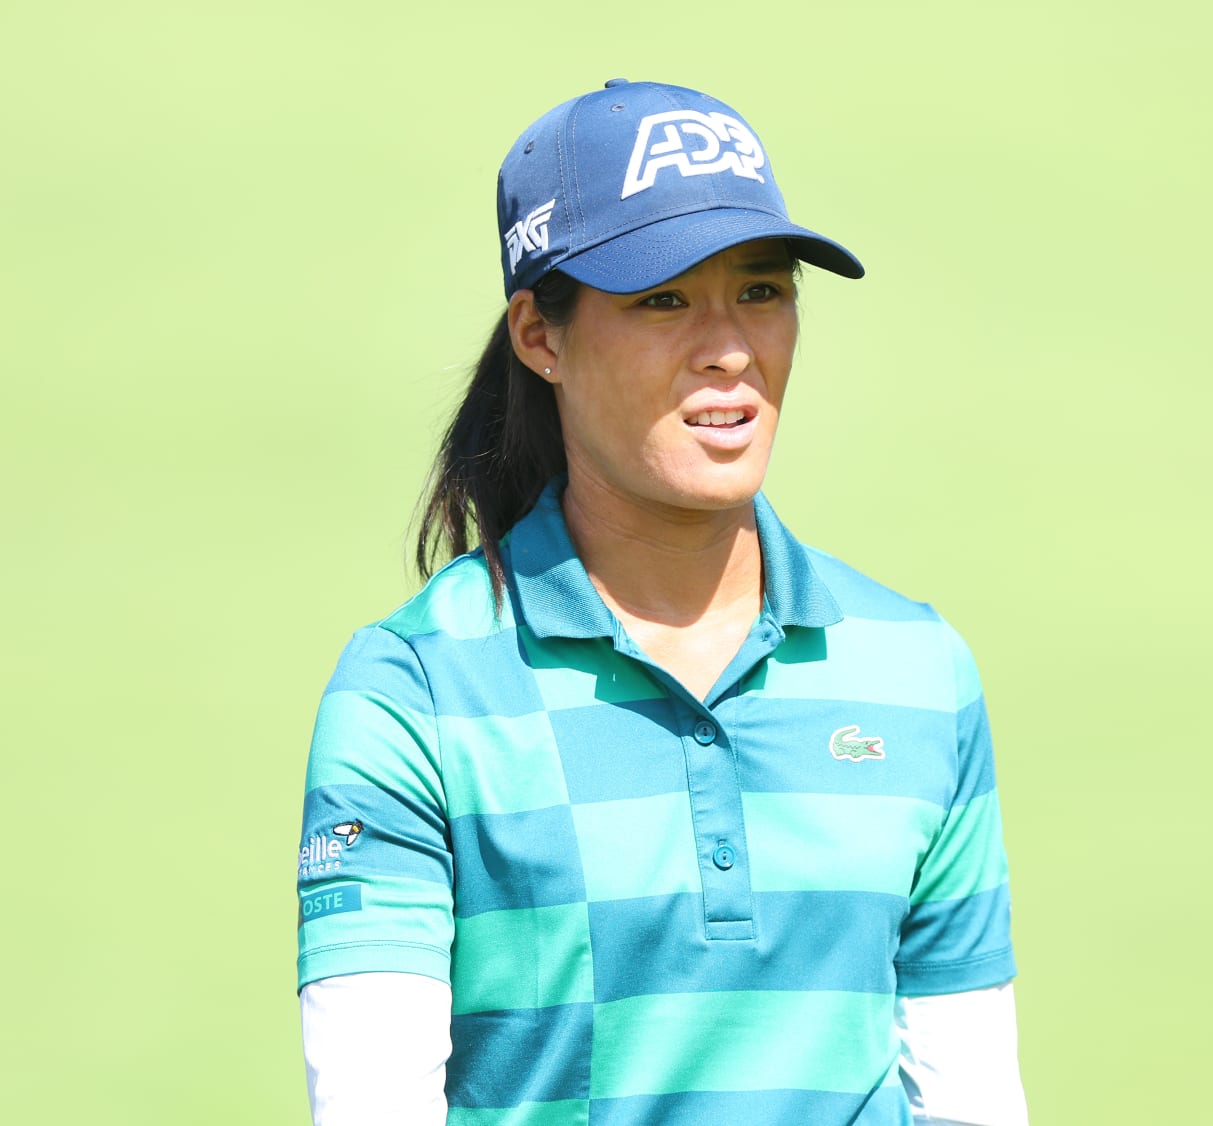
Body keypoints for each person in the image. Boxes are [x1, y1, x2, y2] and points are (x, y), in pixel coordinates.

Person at [295, 79, 1027, 1126]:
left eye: (763, 292)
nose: (729, 346)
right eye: (663, 299)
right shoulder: (414, 691)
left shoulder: (915, 670)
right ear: (540, 337)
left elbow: (970, 1094)